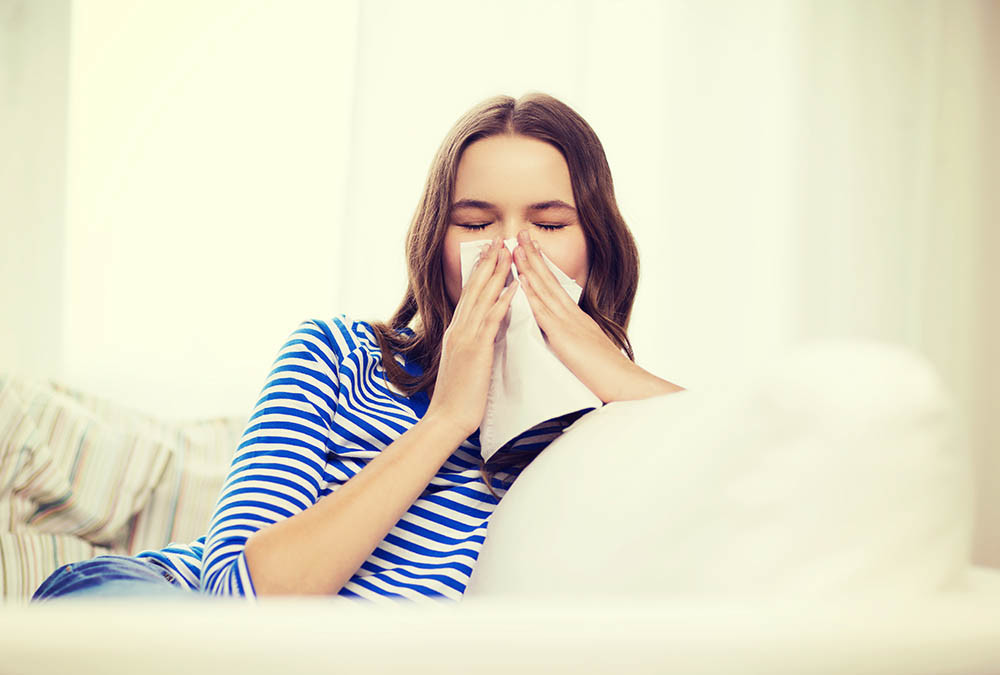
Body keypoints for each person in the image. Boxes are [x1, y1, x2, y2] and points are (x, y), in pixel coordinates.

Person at [29, 91, 684, 605]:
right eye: (476, 223)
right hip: (153, 605)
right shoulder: (337, 353)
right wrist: (445, 419)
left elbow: (742, 457)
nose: (512, 251)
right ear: (438, 242)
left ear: (595, 247)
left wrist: (605, 368)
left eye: (549, 224)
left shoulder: (603, 433)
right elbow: (231, 603)